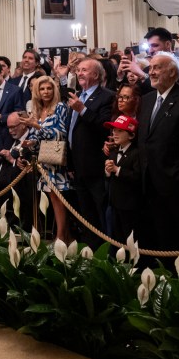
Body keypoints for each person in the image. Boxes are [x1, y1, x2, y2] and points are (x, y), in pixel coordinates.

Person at [136, 54, 179, 252]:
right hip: (147, 179)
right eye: (150, 67)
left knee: (178, 234)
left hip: (173, 179)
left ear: (172, 72)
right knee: (155, 232)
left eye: (157, 67)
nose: (151, 72)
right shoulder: (147, 99)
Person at [65, 58, 115, 244]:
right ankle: (91, 251)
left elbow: (104, 126)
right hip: (78, 166)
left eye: (84, 70)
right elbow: (71, 132)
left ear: (96, 74)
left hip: (96, 165)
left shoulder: (107, 96)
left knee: (100, 211)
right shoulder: (77, 96)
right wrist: (69, 163)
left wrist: (83, 110)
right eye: (78, 70)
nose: (80, 73)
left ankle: (106, 251)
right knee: (86, 215)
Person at [25, 75, 72, 242]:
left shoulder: (60, 107)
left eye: (49, 88)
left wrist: (38, 126)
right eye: (42, 89)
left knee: (59, 199)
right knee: (52, 199)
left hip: (57, 160)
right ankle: (62, 235)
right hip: (43, 160)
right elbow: (37, 138)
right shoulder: (37, 111)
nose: (46, 92)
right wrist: (29, 142)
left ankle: (61, 236)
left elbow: (60, 134)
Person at [103, 115, 142, 242]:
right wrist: (108, 171)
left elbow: (138, 177)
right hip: (115, 203)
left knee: (131, 238)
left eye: (120, 130)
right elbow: (109, 178)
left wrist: (117, 170)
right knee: (117, 236)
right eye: (114, 130)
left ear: (131, 135)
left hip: (130, 206)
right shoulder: (113, 152)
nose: (115, 133)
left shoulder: (137, 153)